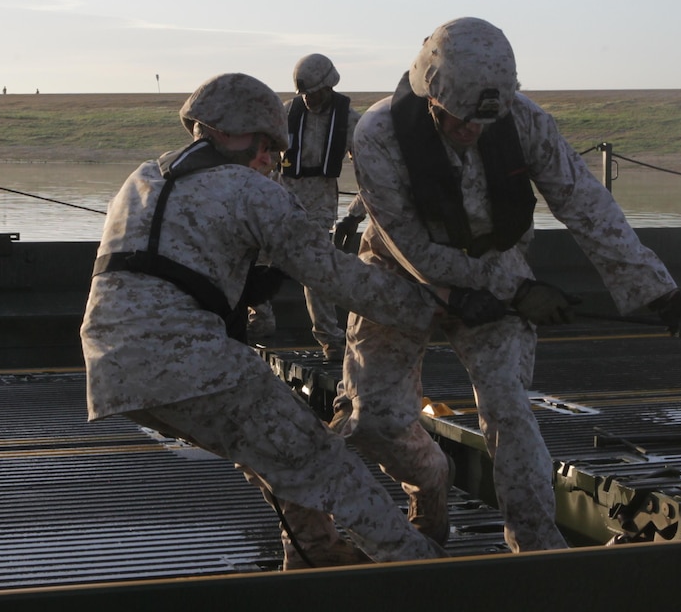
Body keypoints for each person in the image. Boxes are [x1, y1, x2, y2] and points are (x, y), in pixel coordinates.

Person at [80, 72, 502, 568]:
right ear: (236, 132)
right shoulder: (252, 191)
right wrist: (441, 304)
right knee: (327, 464)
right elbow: (341, 280)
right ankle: (419, 567)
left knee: (273, 454)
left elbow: (163, 263)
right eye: (265, 148)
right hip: (191, 362)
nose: (267, 161)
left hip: (110, 369)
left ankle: (317, 555)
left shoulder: (142, 179)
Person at [335, 17, 681, 552]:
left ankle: (535, 548)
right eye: (460, 120)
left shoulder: (526, 123)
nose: (472, 132)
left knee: (510, 412)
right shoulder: (377, 134)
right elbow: (411, 246)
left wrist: (661, 294)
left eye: (483, 121)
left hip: (500, 271)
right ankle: (430, 484)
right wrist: (514, 291)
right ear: (430, 92)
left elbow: (586, 204)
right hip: (399, 278)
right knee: (374, 420)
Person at [280, 53, 367, 361]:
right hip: (279, 197)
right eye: (303, 93)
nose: (309, 99)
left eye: (313, 92)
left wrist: (354, 215)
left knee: (314, 268)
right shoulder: (285, 113)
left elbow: (371, 178)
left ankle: (331, 341)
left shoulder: (352, 123)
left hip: (318, 204)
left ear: (329, 85)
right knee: (254, 257)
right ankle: (257, 322)